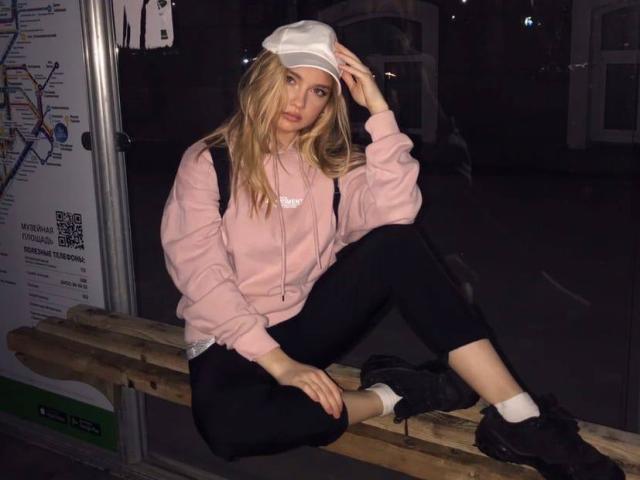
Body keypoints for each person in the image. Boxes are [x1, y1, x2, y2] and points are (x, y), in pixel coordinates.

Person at [160, 20, 624, 480]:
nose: (299, 101)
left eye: (319, 91)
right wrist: (281, 366)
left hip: (305, 322)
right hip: (228, 336)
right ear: (263, 77)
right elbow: (202, 279)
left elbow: (398, 213)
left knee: (396, 246)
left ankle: (521, 418)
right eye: (290, 79)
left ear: (330, 102)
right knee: (230, 432)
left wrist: (379, 111)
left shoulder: (333, 166)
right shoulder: (209, 163)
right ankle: (397, 393)